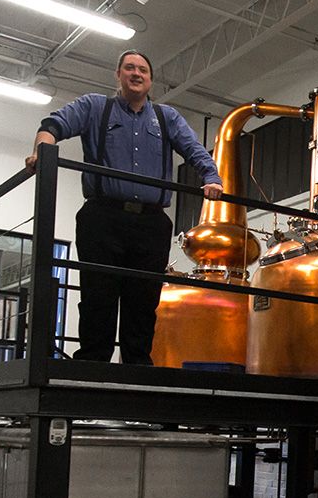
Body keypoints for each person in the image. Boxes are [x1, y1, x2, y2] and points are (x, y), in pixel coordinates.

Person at [27, 49, 223, 365]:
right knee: (97, 296)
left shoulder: (166, 117)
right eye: (129, 68)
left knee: (144, 301)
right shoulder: (94, 107)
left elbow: (195, 151)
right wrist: (41, 152)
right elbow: (53, 125)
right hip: (102, 218)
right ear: (118, 74)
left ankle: (136, 369)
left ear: (150, 80)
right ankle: (92, 366)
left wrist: (212, 178)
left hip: (151, 223)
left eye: (143, 70)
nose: (136, 73)